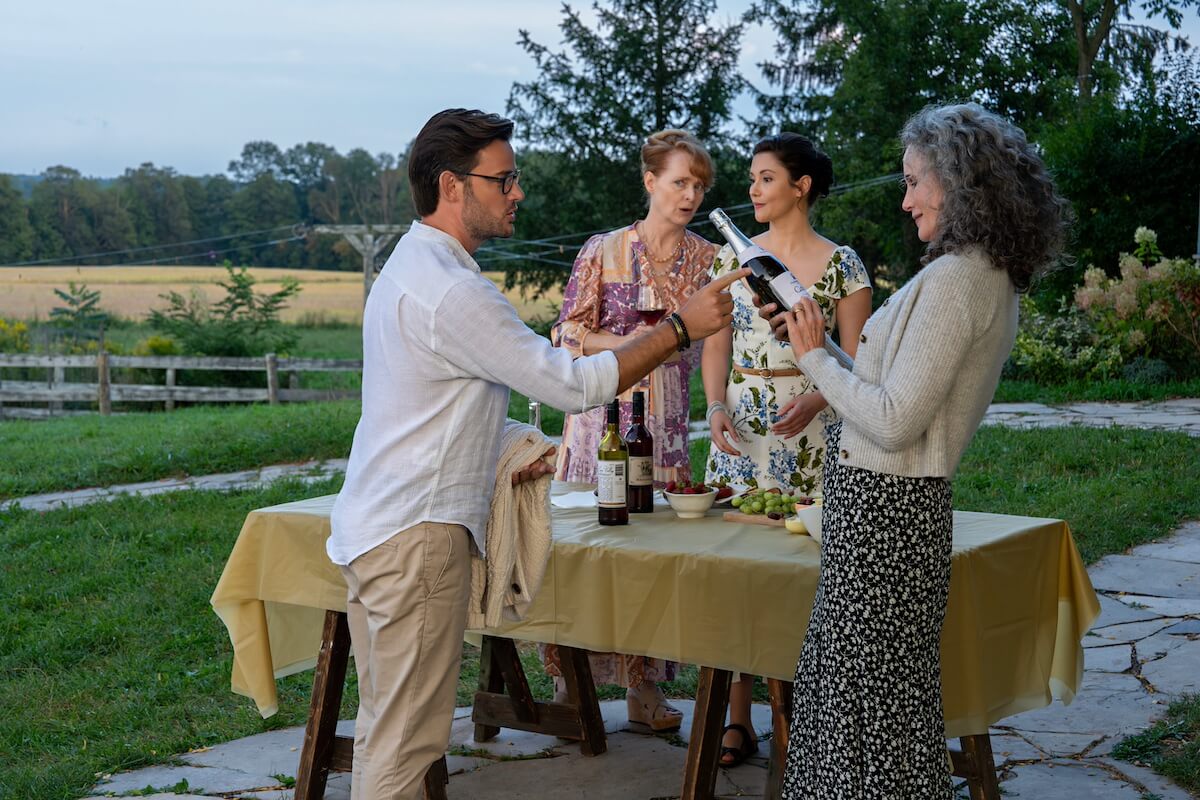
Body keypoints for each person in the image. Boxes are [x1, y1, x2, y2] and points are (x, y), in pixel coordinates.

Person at [325, 108, 748, 800]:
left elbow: (430, 405)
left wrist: (528, 447)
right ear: (452, 186)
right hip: (414, 539)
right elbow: (571, 380)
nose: (517, 192)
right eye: (504, 180)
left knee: (387, 735)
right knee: (406, 750)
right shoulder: (454, 292)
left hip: (379, 529)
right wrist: (678, 329)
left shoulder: (408, 266)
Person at [767, 103, 1069, 798]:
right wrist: (814, 344)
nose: (904, 201)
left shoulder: (960, 281)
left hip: (885, 515)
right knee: (876, 711)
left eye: (913, 182)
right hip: (891, 514)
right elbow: (885, 389)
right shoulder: (972, 273)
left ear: (958, 183)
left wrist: (815, 362)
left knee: (857, 711)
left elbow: (896, 421)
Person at [700, 133, 871, 766]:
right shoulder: (735, 258)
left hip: (815, 433)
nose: (753, 189)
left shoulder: (842, 265)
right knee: (737, 574)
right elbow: (715, 342)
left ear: (801, 186)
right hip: (743, 430)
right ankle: (736, 719)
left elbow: (861, 363)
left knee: (803, 577)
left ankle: (794, 714)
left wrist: (822, 398)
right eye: (752, 178)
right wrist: (716, 405)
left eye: (766, 178)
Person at [543, 129, 717, 731]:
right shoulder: (604, 250)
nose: (690, 194)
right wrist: (638, 346)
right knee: (590, 555)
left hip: (666, 427)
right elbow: (566, 334)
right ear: (649, 182)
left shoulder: (707, 260)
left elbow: (721, 337)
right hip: (599, 421)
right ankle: (573, 680)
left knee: (652, 556)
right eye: (679, 182)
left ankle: (643, 689)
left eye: (698, 185)